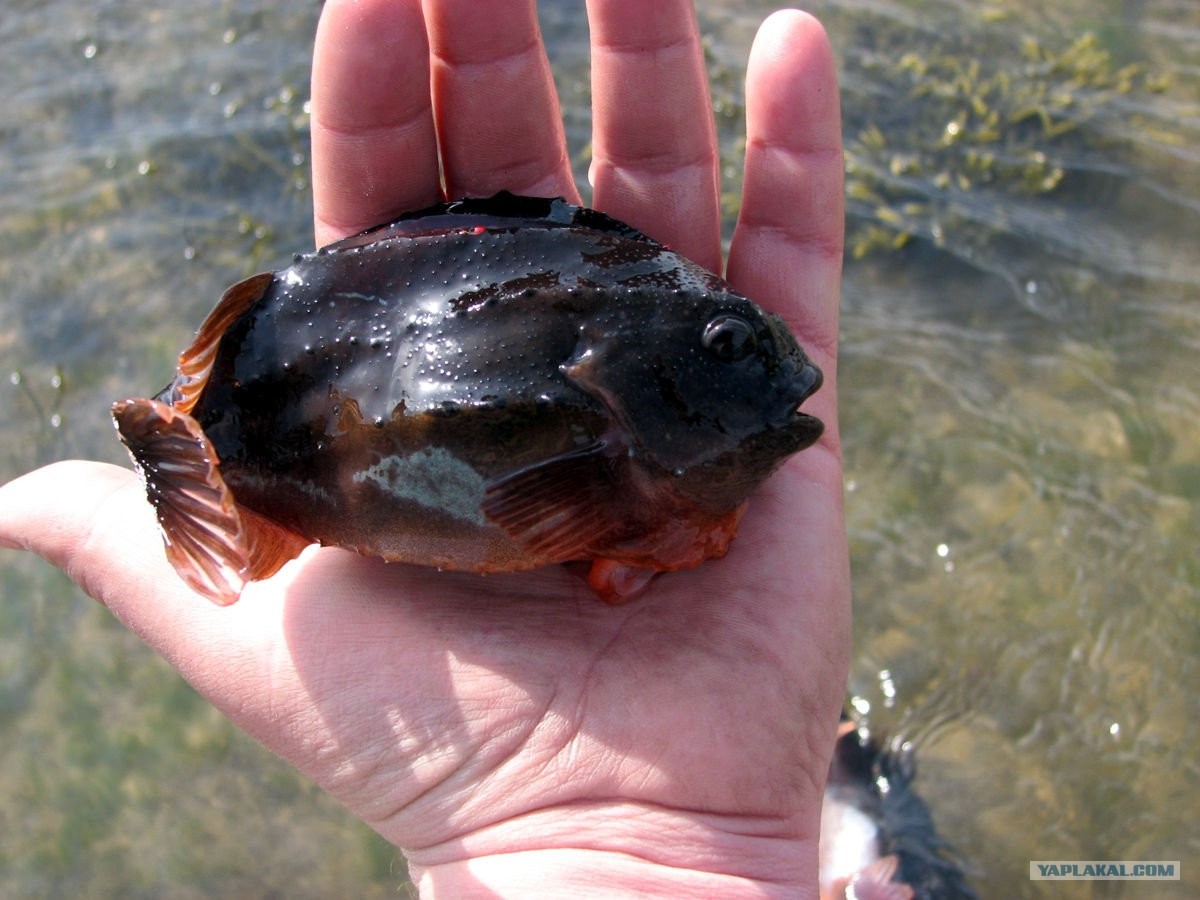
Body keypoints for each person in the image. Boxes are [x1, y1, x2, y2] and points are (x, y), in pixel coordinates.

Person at [0, 1, 849, 895]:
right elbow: (542, 508)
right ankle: (189, 443)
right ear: (619, 373)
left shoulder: (636, 390)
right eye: (720, 345)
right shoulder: (620, 441)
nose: (787, 380)